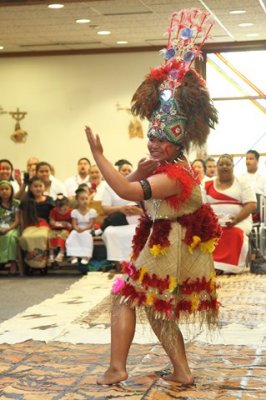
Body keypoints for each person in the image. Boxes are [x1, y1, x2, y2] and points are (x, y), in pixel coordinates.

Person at [85, 8, 220, 385]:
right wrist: (137, 172)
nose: (154, 144)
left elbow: (127, 192)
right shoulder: (164, 170)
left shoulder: (175, 175)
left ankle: (118, 368)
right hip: (164, 241)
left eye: (162, 140)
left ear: (177, 142)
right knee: (157, 309)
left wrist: (99, 157)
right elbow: (132, 188)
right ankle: (181, 371)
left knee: (125, 298)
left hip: (169, 244)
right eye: (152, 138)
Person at [205, 154, 257, 274]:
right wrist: (212, 221)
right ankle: (211, 265)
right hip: (213, 222)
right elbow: (203, 206)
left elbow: (251, 204)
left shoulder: (242, 182)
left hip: (240, 220)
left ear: (233, 166)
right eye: (221, 164)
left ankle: (228, 268)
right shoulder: (207, 184)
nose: (224, 167)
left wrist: (237, 219)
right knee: (207, 233)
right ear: (217, 167)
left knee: (234, 233)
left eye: (228, 164)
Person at [101, 161, 143, 269]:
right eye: (124, 170)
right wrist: (120, 208)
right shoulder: (109, 187)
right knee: (109, 232)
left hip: (137, 219)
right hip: (119, 220)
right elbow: (105, 208)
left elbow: (149, 208)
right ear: (118, 172)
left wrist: (138, 211)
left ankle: (137, 265)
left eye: (129, 170)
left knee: (140, 230)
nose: (127, 172)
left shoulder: (139, 186)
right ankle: (119, 265)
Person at [19, 176, 54, 270]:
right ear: (30, 188)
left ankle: (43, 262)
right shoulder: (26, 201)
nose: (38, 188)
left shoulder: (49, 200)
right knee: (26, 237)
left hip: (44, 225)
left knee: (42, 236)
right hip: (30, 225)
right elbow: (22, 217)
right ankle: (31, 262)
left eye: (40, 186)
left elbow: (54, 215)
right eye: (35, 186)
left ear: (44, 187)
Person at [66, 187, 97, 266]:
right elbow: (74, 224)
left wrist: (84, 229)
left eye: (86, 199)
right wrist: (77, 229)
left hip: (87, 228)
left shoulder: (92, 211)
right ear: (77, 200)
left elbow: (91, 224)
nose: (85, 201)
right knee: (73, 235)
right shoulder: (75, 211)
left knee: (87, 235)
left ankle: (86, 256)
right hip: (78, 228)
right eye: (82, 199)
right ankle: (73, 255)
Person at [0, 180, 20, 274]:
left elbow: (17, 220)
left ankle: (13, 262)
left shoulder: (16, 203)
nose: (4, 191)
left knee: (10, 237)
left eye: (6, 189)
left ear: (11, 190)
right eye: (1, 189)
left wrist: (8, 229)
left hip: (13, 226)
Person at [48, 194, 72, 264]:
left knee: (63, 235)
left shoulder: (70, 211)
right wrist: (59, 223)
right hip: (55, 229)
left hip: (66, 229)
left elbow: (72, 224)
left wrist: (68, 225)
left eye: (64, 208)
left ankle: (61, 252)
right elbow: (51, 222)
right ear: (56, 207)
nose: (61, 210)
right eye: (59, 209)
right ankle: (51, 254)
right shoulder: (53, 211)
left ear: (67, 206)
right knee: (50, 235)